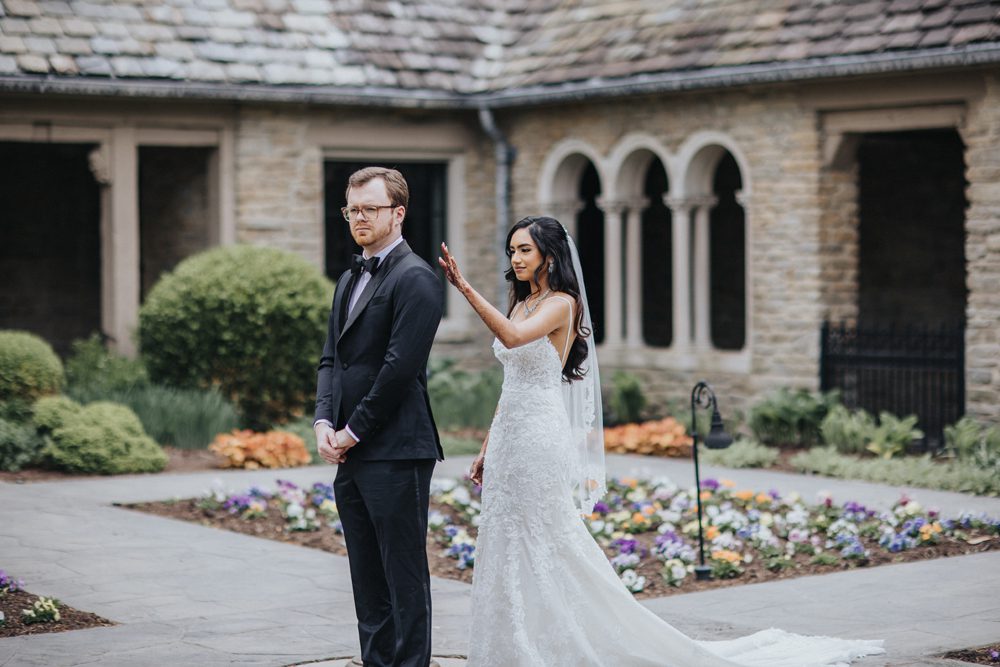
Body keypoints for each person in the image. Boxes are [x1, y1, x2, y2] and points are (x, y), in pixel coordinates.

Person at [438, 215, 885, 667]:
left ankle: (568, 643)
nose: (515, 258)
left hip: (539, 440)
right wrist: (486, 446)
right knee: (504, 538)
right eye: (512, 250)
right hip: (512, 438)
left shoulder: (562, 303)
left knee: (547, 539)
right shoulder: (521, 303)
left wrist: (463, 287)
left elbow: (512, 339)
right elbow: (510, 383)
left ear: (549, 256)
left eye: (525, 250)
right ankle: (511, 647)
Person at [314, 166, 444, 667]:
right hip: (350, 449)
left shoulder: (418, 279)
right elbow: (332, 358)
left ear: (398, 213)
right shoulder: (349, 277)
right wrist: (324, 423)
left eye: (370, 208)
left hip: (398, 448)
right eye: (352, 209)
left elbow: (398, 370)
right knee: (366, 574)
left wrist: (351, 431)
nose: (359, 217)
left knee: (404, 575)